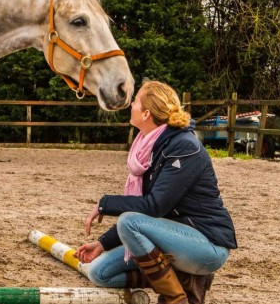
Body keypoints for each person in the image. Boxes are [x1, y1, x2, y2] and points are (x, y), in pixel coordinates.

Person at [74, 80, 237, 304]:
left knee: (129, 222)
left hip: (207, 244)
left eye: (136, 101)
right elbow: (149, 213)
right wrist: (102, 244)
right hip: (172, 238)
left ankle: (174, 297)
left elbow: (154, 206)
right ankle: (178, 279)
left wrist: (105, 203)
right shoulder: (149, 146)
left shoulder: (184, 146)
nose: (131, 104)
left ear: (146, 114)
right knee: (99, 272)